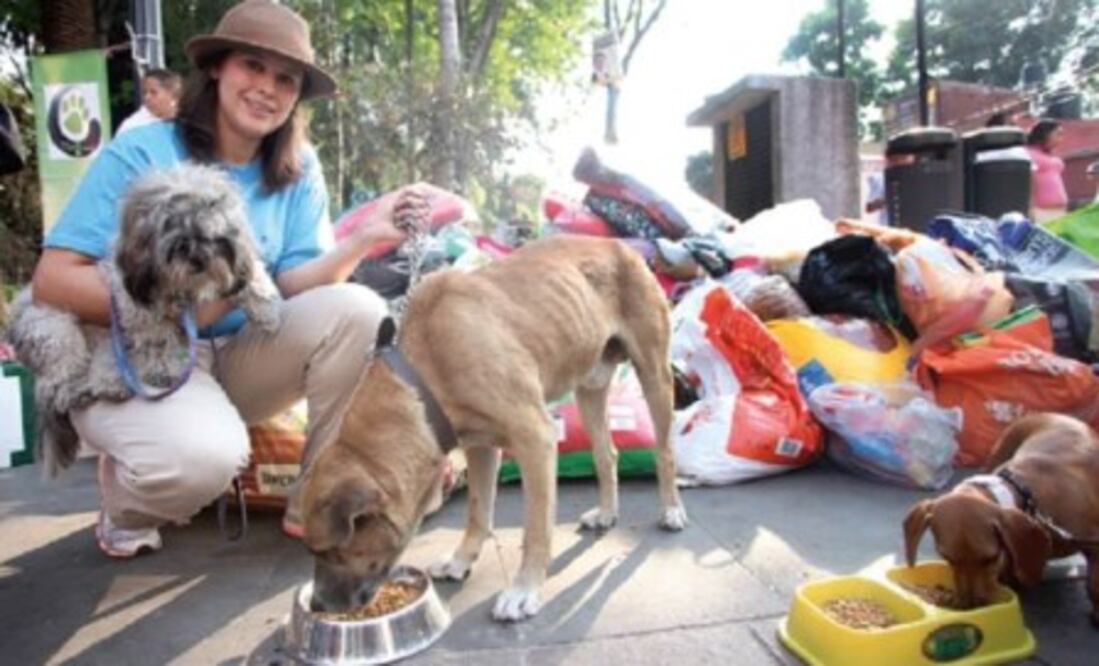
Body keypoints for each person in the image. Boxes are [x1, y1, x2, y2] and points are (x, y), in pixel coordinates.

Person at [30, 0, 412, 557]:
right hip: (136, 355)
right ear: (216, 68)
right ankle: (128, 503)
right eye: (252, 66)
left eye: (286, 79)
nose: (267, 88)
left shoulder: (299, 168)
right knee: (199, 462)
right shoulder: (142, 152)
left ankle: (316, 498)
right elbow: (53, 281)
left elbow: (293, 284)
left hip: (238, 353)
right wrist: (179, 309)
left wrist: (364, 240)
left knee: (360, 310)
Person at [1025, 118, 1068, 223]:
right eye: (1058, 134)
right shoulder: (1029, 154)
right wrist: (1030, 209)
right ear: (1045, 134)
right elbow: (1028, 182)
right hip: (1040, 211)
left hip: (1059, 210)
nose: (1060, 139)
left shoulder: (1050, 156)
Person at [116, 69, 183, 135]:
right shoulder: (133, 126)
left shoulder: (184, 120)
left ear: (172, 94)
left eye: (153, 92)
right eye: (144, 92)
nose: (147, 97)